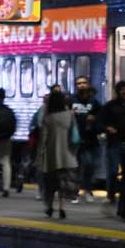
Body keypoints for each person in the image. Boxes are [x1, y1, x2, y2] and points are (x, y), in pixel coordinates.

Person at [38, 90, 78, 219]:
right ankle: (62, 208)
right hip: (67, 155)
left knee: (50, 184)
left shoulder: (48, 118)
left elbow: (43, 138)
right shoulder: (70, 115)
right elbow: (75, 135)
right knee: (63, 183)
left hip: (51, 156)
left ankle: (49, 207)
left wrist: (39, 155)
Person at [70, 77, 101, 204]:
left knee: (89, 165)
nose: (81, 85)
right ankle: (76, 192)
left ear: (88, 85)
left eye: (83, 83)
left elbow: (101, 117)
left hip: (90, 139)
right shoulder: (71, 100)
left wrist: (94, 120)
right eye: (78, 83)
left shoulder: (94, 102)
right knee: (76, 167)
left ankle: (87, 190)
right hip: (75, 139)